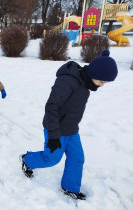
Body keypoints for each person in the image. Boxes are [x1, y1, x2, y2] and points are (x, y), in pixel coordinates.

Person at [20, 49, 118, 200]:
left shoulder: (86, 84)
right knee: (51, 159)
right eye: (102, 81)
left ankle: (70, 187)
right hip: (56, 129)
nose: (103, 85)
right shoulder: (68, 81)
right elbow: (51, 107)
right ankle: (27, 160)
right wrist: (53, 135)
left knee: (77, 157)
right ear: (95, 74)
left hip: (72, 130)